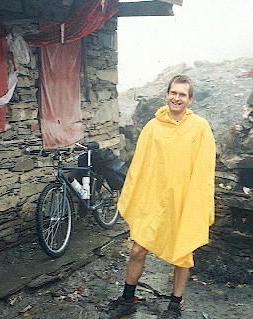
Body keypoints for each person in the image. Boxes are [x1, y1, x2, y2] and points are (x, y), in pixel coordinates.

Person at [103, 75, 216, 319]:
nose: (177, 98)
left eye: (182, 94)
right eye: (173, 93)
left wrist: (198, 202)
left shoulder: (200, 128)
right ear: (167, 94)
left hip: (183, 201)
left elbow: (205, 169)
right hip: (154, 200)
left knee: (183, 253)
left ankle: (174, 305)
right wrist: (137, 196)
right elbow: (140, 167)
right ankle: (127, 299)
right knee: (137, 250)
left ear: (190, 99)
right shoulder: (153, 127)